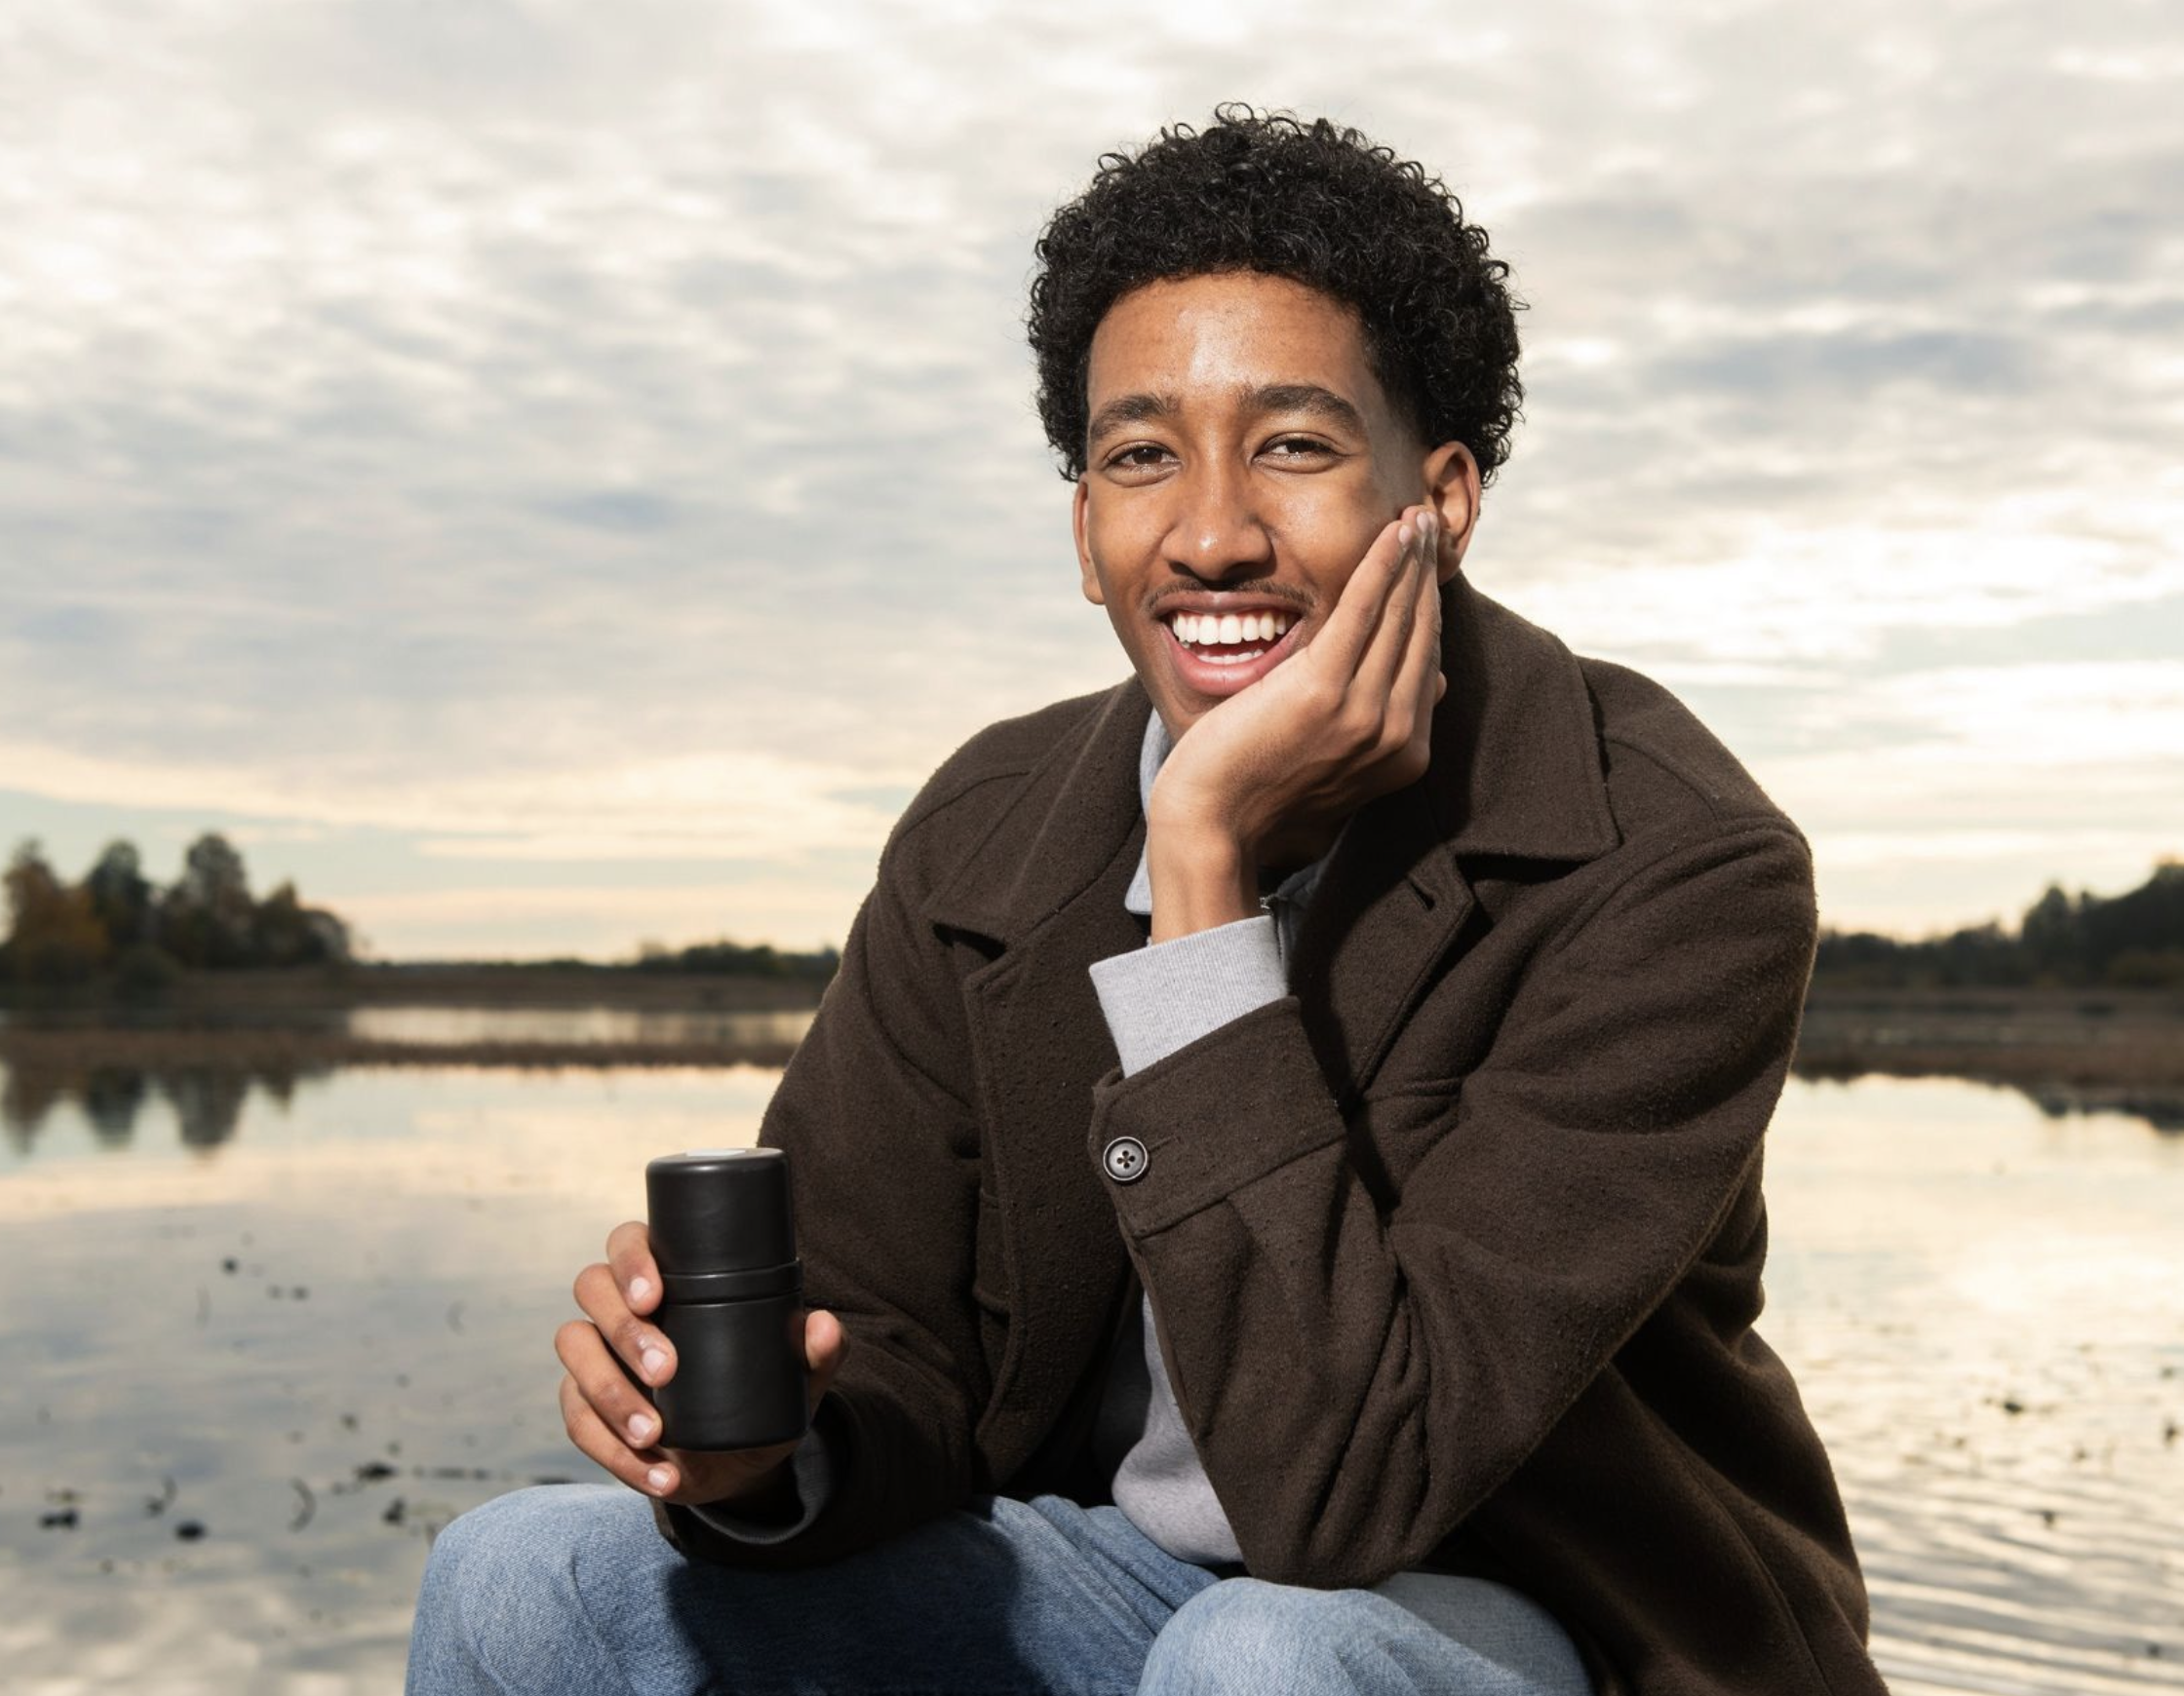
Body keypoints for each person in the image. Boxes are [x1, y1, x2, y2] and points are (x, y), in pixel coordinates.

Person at [407, 106, 1889, 1696]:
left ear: (1440, 501)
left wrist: (1199, 870)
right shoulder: (988, 829)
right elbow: (882, 1336)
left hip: (1539, 1620)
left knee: (1258, 1657)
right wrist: (764, 1446)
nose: (1209, 534)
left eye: (1294, 446)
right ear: (1083, 531)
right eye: (1139, 458)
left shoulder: (1663, 861)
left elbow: (1341, 1491)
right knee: (519, 1576)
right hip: (1125, 1588)